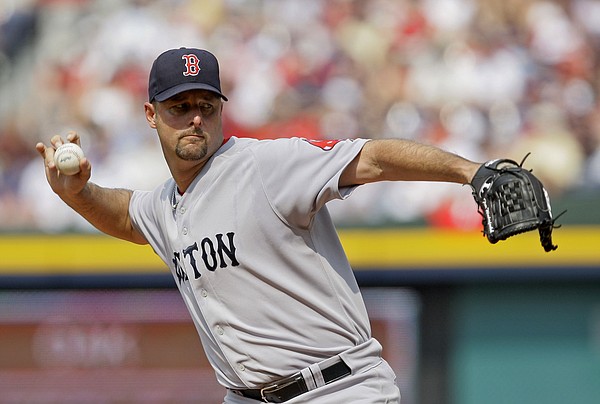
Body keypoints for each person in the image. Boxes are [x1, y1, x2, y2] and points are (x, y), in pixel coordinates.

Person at [36, 47, 480, 403]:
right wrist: (75, 192)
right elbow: (123, 213)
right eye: (180, 106)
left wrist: (471, 172)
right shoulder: (164, 207)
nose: (195, 117)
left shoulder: (266, 164)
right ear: (151, 115)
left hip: (336, 389)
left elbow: (372, 158)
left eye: (206, 105)